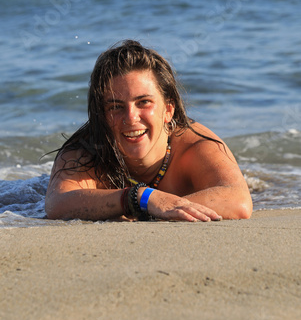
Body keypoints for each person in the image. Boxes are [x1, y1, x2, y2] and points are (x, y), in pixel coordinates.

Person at [45, 40, 252, 222]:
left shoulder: (195, 146)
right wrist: (141, 198)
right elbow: (57, 204)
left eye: (143, 102)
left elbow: (238, 200)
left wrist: (155, 208)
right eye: (116, 106)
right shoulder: (86, 152)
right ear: (101, 114)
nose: (131, 117)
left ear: (168, 110)